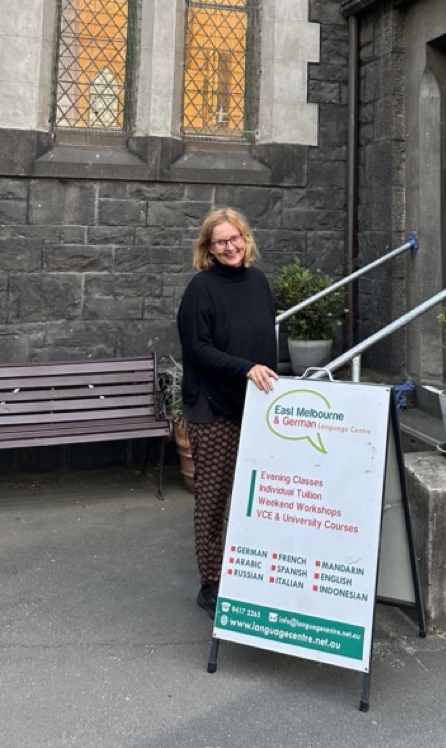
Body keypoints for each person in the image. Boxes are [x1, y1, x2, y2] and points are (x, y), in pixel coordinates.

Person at [177, 206, 278, 617]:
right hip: (212, 406)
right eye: (220, 242)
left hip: (252, 404)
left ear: (245, 238)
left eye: (234, 238)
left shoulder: (258, 281)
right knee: (213, 497)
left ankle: (244, 571)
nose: (230, 247)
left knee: (253, 495)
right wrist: (246, 368)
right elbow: (197, 349)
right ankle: (211, 583)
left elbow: (266, 341)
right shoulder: (200, 289)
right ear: (209, 248)